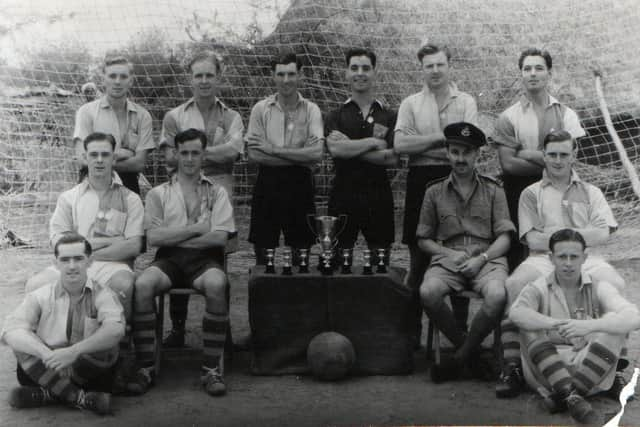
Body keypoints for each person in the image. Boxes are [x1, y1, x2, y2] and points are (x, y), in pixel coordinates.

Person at [496, 129, 626, 398]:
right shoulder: (531, 194)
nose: (557, 161)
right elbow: (532, 240)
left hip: (585, 258)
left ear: (574, 155)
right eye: (552, 154)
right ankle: (513, 367)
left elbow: (603, 232)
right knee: (515, 283)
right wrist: (573, 238)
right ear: (543, 155)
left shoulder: (591, 191)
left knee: (615, 283)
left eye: (563, 154)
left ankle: (616, 370)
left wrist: (562, 242)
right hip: (543, 258)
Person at [25, 132, 144, 393]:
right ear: (85, 157)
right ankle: (46, 360)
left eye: (105, 154)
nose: (100, 160)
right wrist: (107, 243)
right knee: (36, 283)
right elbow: (57, 242)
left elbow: (134, 246)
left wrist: (86, 247)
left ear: (114, 158)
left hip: (113, 265)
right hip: (71, 262)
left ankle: (118, 364)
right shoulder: (69, 198)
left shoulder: (131, 199)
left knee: (124, 283)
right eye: (94, 154)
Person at [131, 128, 236, 396]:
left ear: (204, 156)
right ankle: (145, 367)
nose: (190, 159)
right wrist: (197, 229)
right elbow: (154, 238)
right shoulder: (158, 194)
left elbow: (220, 239)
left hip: (204, 261)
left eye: (195, 153)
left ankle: (211, 369)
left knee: (217, 282)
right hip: (169, 261)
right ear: (176, 155)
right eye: (184, 153)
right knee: (143, 284)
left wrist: (175, 236)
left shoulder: (218, 192)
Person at [509, 229, 640, 425]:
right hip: (546, 371)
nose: (568, 263)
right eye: (562, 257)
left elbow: (634, 317)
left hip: (591, 369)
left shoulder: (598, 286)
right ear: (551, 258)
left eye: (574, 256)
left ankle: (570, 394)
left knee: (614, 320)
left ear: (584, 258)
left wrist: (589, 326)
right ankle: (569, 393)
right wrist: (556, 323)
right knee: (527, 322)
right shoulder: (538, 287)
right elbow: (516, 314)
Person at [416, 122, 514, 382]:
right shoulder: (434, 191)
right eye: (455, 152)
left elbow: (505, 238)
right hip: (449, 258)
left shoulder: (495, 189)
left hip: (487, 258)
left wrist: (482, 259)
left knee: (497, 294)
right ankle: (471, 352)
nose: (461, 158)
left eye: (467, 152)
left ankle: (459, 359)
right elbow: (423, 240)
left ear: (477, 155)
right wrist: (447, 254)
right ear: (447, 153)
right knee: (428, 292)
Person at [160, 50, 244, 348]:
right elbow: (169, 157)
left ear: (219, 78)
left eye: (210, 74)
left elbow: (234, 151)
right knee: (177, 252)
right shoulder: (175, 116)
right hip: (182, 193)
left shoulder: (232, 116)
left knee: (219, 260)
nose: (204, 80)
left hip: (221, 192)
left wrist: (190, 153)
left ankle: (226, 331)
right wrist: (209, 153)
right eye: (199, 75)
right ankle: (178, 329)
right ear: (190, 79)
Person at [395, 44, 478, 345]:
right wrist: (444, 138)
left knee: (460, 252)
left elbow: (468, 149)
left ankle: (460, 332)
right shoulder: (410, 103)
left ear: (449, 65)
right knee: (418, 260)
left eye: (440, 64)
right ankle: (410, 333)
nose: (435, 70)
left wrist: (426, 144)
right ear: (422, 68)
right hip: (420, 182)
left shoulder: (466, 101)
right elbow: (401, 146)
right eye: (429, 66)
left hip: (458, 181)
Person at [2, 233, 125, 415]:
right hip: (47, 367)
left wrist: (73, 352)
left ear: (89, 262)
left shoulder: (103, 294)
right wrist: (45, 354)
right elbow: (10, 330)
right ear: (56, 263)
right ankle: (80, 398)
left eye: (78, 259)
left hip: (88, 371)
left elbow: (116, 330)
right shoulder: (41, 295)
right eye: (65, 260)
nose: (72, 266)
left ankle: (48, 394)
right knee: (21, 343)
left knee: (107, 344)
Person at [493, 48, 586, 270]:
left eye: (539, 68)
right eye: (527, 69)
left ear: (549, 74)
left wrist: (526, 153)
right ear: (521, 74)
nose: (533, 73)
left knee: (558, 247)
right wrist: (550, 161)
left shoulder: (567, 115)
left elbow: (569, 161)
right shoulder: (508, 117)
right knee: (518, 250)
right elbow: (508, 164)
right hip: (517, 190)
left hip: (558, 189)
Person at [246, 52, 323, 263]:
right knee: (263, 254)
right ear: (273, 76)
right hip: (267, 184)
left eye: (291, 74)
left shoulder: (312, 110)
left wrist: (272, 149)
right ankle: (264, 295)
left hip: (301, 186)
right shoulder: (260, 109)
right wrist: (301, 156)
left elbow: (316, 154)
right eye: (281, 74)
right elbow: (253, 153)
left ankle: (301, 295)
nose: (286, 80)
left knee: (302, 255)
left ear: (300, 75)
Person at [325, 47, 398, 262]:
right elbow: (336, 150)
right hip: (342, 196)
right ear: (346, 73)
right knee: (337, 263)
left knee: (380, 266)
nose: (360, 73)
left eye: (366, 68)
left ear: (374, 72)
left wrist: (350, 147)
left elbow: (392, 158)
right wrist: (373, 143)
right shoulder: (335, 115)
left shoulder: (389, 115)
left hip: (379, 197)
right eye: (354, 68)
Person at [73, 55, 155, 194]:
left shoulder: (142, 115)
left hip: (128, 186)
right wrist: (126, 153)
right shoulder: (87, 112)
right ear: (103, 79)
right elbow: (83, 159)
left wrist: (101, 159)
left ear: (131, 81)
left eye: (123, 77)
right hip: (92, 184)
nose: (117, 81)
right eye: (112, 76)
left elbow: (139, 163)